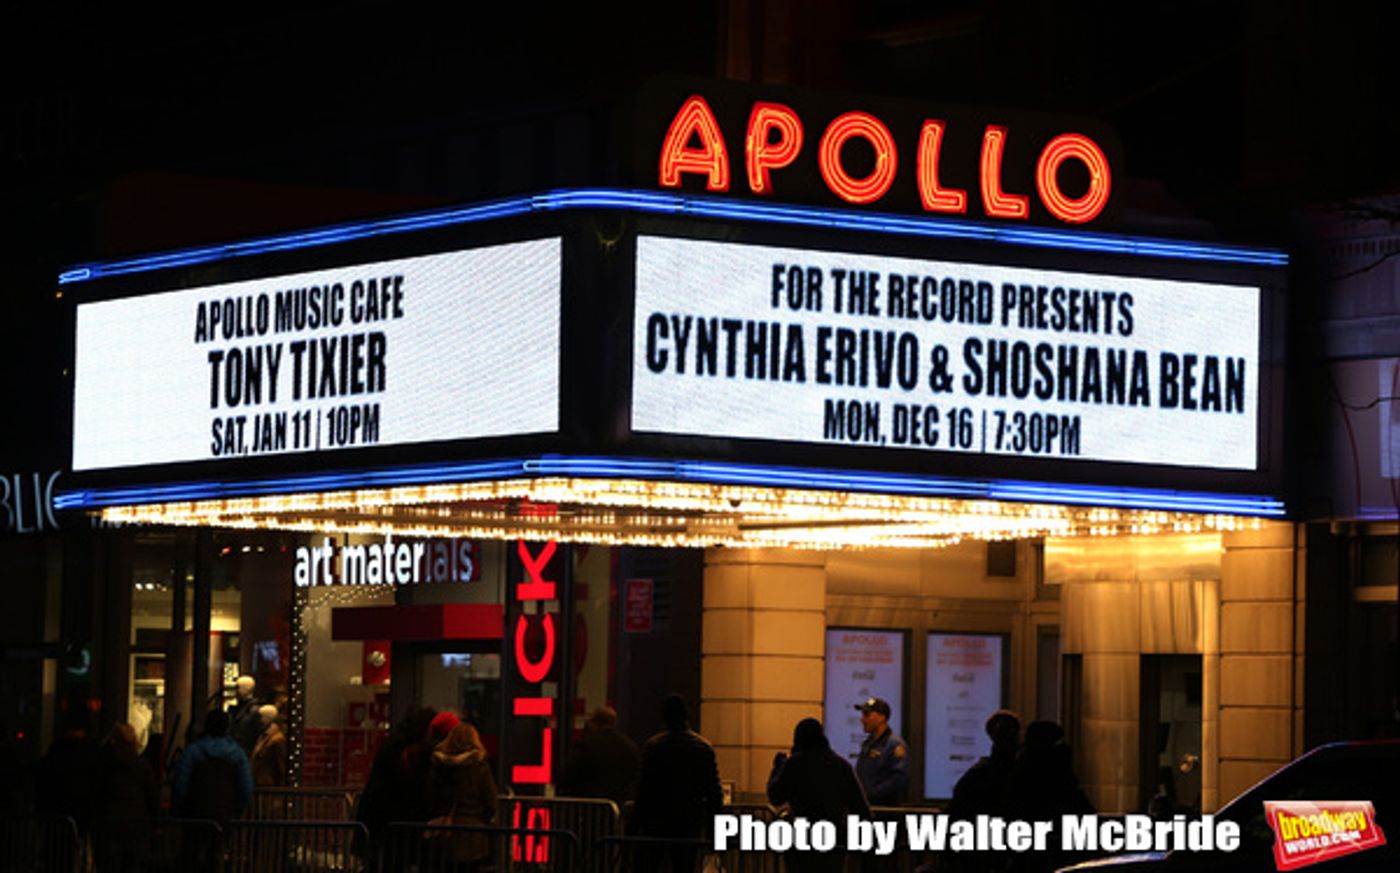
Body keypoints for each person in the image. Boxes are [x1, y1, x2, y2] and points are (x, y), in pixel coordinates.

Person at [631, 694, 724, 873]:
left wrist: (634, 825)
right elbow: (714, 793)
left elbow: (644, 790)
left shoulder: (654, 746)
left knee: (650, 865)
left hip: (657, 821)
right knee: (684, 866)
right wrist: (716, 832)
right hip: (688, 822)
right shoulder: (703, 748)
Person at [767, 718, 871, 873]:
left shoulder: (794, 764)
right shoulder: (841, 765)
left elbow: (775, 796)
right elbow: (861, 809)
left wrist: (776, 769)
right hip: (832, 841)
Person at [425, 721, 498, 871]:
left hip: (444, 834)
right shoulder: (480, 767)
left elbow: (430, 799)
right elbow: (491, 803)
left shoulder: (439, 766)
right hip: (474, 836)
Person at [92, 723, 158, 873]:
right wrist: (155, 820)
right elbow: (151, 794)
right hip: (134, 821)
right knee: (130, 862)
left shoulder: (103, 762)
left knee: (107, 863)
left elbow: (96, 789)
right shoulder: (141, 764)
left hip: (107, 819)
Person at [171, 709, 254, 826]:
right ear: (227, 727)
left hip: (195, 814)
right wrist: (237, 811)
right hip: (225, 814)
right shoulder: (238, 754)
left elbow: (180, 784)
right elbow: (245, 788)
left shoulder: (192, 752)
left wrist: (179, 810)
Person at [561, 705, 641, 807]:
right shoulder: (630, 746)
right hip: (620, 806)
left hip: (591, 806)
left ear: (596, 723)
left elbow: (568, 775)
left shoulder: (587, 745)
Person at [853, 697, 910, 806]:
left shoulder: (895, 745)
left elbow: (899, 780)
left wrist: (870, 794)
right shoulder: (868, 744)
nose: (862, 719)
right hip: (868, 807)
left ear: (882, 718)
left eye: (866, 714)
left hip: (885, 810)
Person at [251, 704, 287, 787]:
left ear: (268, 718)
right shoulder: (264, 736)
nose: (260, 720)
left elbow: (281, 766)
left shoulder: (277, 739)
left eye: (261, 717)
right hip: (262, 783)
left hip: (269, 784)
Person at [228, 675, 262, 754]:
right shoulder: (235, 709)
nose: (236, 691)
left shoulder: (254, 711)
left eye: (238, 687)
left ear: (247, 688)